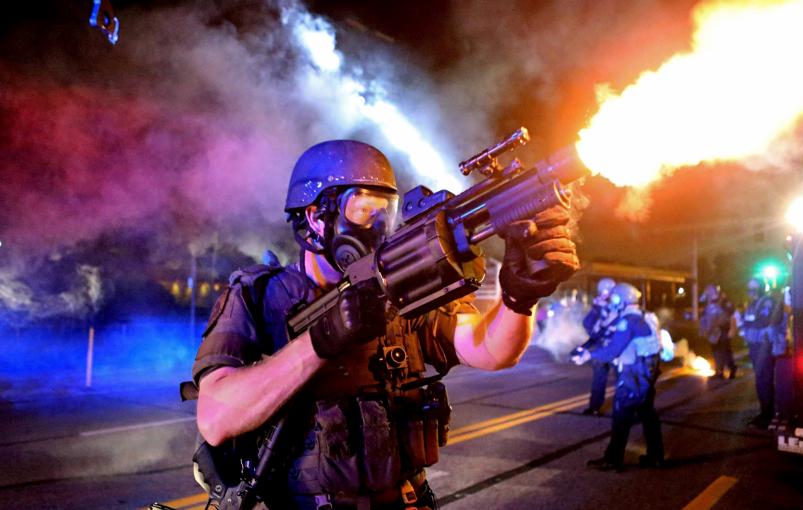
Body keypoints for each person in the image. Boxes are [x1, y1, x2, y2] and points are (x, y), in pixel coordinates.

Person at [189, 140, 580, 509]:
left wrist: (518, 297)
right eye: (362, 210)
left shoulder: (399, 288)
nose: (376, 225)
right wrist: (324, 339)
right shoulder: (259, 296)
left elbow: (491, 350)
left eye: (385, 211)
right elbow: (216, 419)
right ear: (314, 216)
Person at [572, 283, 665, 471]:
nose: (612, 302)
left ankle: (613, 459)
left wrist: (588, 355)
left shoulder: (628, 321)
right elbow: (597, 330)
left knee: (621, 415)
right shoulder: (643, 316)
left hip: (635, 374)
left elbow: (614, 350)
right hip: (645, 372)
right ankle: (656, 456)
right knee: (647, 414)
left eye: (614, 299)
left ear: (623, 300)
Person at [741, 278, 785, 429]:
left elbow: (766, 321)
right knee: (761, 381)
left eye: (754, 288)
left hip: (764, 347)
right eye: (749, 288)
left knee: (763, 381)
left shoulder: (767, 302)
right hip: (756, 347)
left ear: (760, 289)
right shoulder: (753, 304)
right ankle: (765, 412)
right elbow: (748, 322)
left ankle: (767, 415)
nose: (751, 292)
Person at [579, 277, 617, 415]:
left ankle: (630, 408)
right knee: (598, 379)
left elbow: (614, 324)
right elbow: (587, 324)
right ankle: (594, 407)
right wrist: (595, 309)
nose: (604, 295)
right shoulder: (599, 305)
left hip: (616, 347)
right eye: (603, 292)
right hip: (601, 346)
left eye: (607, 292)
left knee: (624, 379)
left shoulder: (617, 304)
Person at [699, 284, 737, 379]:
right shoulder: (708, 303)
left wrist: (732, 329)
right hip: (713, 332)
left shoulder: (723, 302)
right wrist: (703, 329)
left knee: (725, 352)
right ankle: (719, 371)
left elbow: (732, 316)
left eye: (709, 291)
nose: (708, 293)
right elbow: (704, 317)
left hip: (723, 330)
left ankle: (732, 368)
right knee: (716, 352)